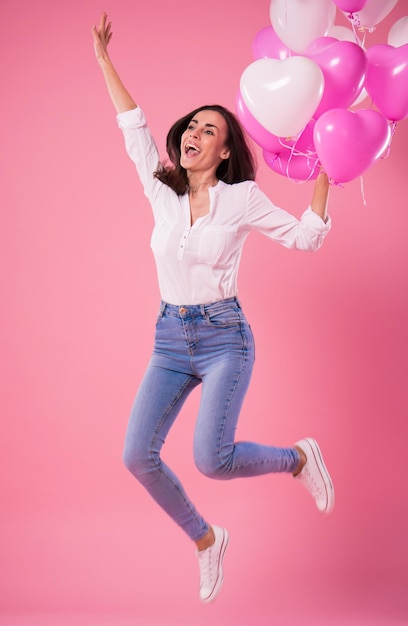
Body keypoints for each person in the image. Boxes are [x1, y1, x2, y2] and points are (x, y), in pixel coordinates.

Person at [92, 12, 334, 604]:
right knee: (136, 455)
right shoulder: (163, 189)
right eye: (192, 126)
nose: (194, 132)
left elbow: (306, 237)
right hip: (170, 338)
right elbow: (134, 126)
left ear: (224, 152)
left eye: (210, 128)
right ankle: (206, 539)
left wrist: (329, 169)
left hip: (226, 337)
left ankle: (298, 458)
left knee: (212, 459)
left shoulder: (242, 199)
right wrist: (104, 60)